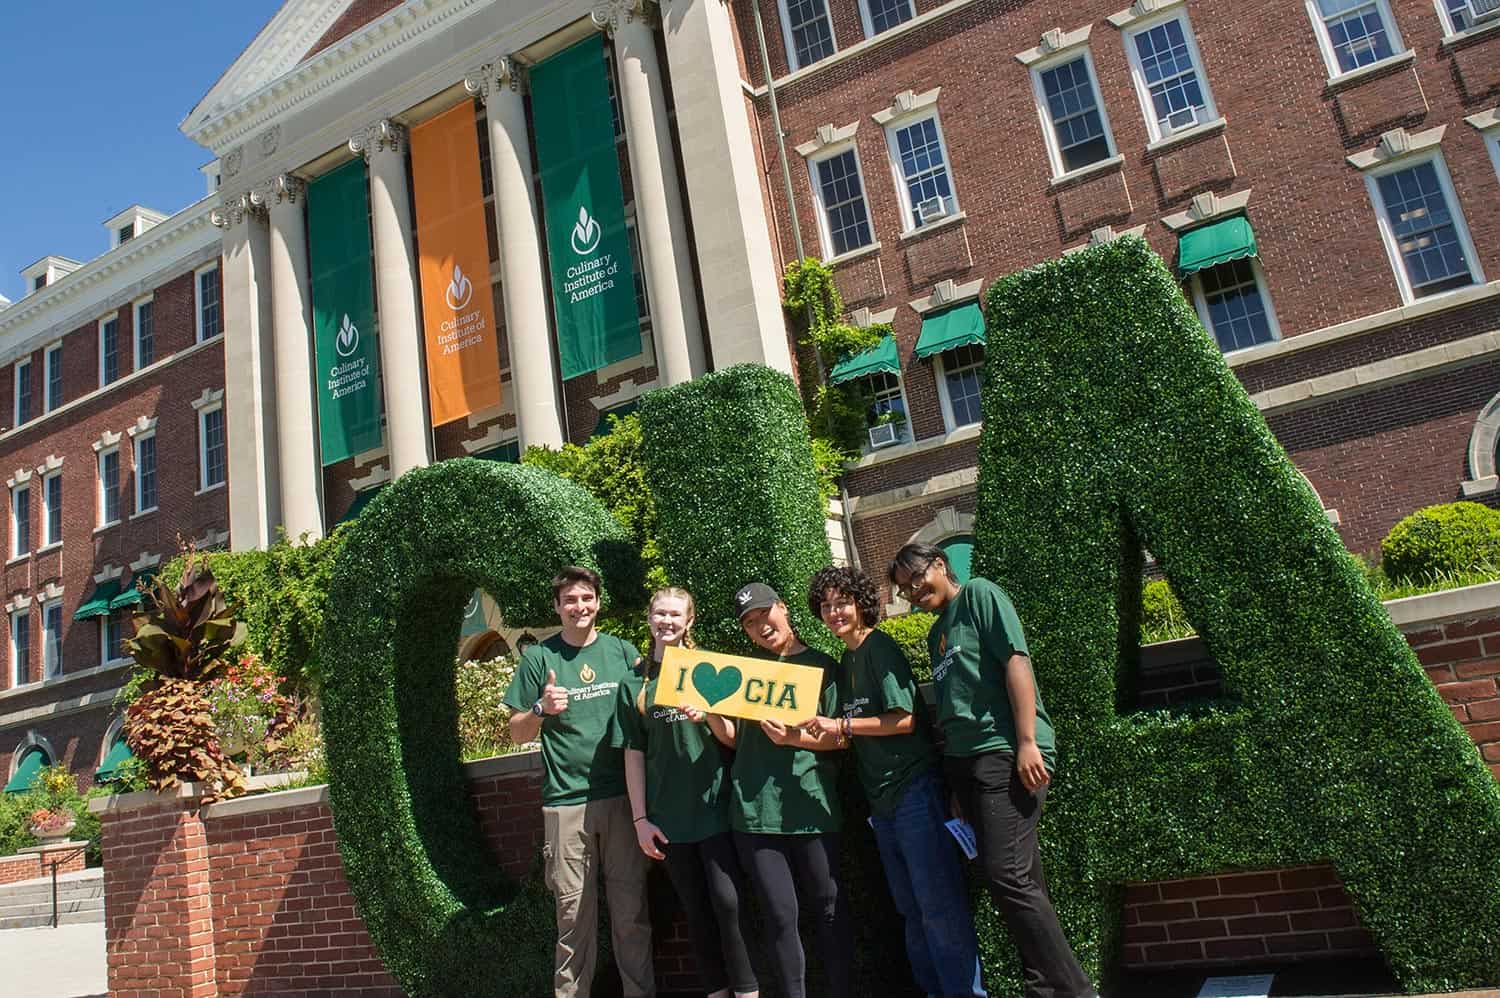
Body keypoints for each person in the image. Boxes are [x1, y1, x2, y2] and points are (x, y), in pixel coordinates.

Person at [887, 543, 1097, 998]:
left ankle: (1078, 991)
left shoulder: (980, 594)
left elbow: (1016, 661)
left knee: (1008, 877)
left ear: (940, 564)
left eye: (916, 579)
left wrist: (1026, 742)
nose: (913, 592)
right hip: (966, 766)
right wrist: (956, 786)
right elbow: (951, 708)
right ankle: (1044, 990)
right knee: (1023, 881)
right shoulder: (936, 632)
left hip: (1003, 751)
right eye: (904, 590)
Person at [800, 565, 987, 998]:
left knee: (939, 908)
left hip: (914, 792)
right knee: (912, 910)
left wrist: (841, 727)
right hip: (881, 804)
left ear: (861, 603)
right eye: (826, 606)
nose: (834, 612)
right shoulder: (846, 659)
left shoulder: (879, 648)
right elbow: (847, 730)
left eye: (842, 602)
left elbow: (903, 719)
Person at [501, 565, 655, 998]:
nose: (579, 607)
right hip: (566, 805)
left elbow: (651, 708)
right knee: (573, 920)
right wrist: (540, 708)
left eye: (586, 598)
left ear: (598, 602)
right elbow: (516, 731)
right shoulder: (539, 659)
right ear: (557, 607)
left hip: (624, 800)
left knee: (632, 916)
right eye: (570, 600)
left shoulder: (623, 653)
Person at [701, 582, 850, 998]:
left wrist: (794, 739)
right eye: (749, 623)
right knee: (781, 918)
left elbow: (843, 738)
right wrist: (711, 713)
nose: (759, 626)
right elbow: (735, 739)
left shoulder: (823, 667)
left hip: (812, 810)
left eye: (764, 615)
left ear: (783, 609)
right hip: (755, 815)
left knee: (830, 911)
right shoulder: (747, 675)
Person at [614, 587, 760, 998]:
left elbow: (732, 739)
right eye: (660, 613)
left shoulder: (706, 669)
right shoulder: (634, 685)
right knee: (696, 913)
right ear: (650, 619)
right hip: (668, 820)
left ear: (689, 622)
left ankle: (748, 992)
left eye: (676, 615)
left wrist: (710, 713)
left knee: (729, 907)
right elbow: (633, 755)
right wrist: (641, 820)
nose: (667, 621)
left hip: (715, 811)